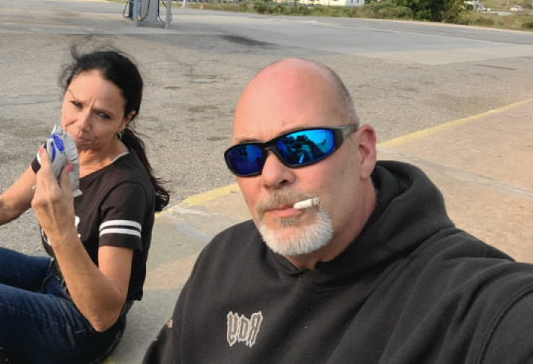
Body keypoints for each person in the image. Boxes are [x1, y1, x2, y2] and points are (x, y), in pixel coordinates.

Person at [143, 58, 533, 363]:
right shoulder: (223, 258)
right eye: (247, 156)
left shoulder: (463, 300)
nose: (271, 175)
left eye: (302, 146)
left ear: (363, 152)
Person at [0, 48, 169, 364]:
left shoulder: (125, 187)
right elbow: (6, 204)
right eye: (76, 104)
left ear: (125, 119)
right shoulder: (61, 147)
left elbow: (104, 315)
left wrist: (61, 230)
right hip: (52, 277)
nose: (81, 125)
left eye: (102, 115)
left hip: (83, 324)